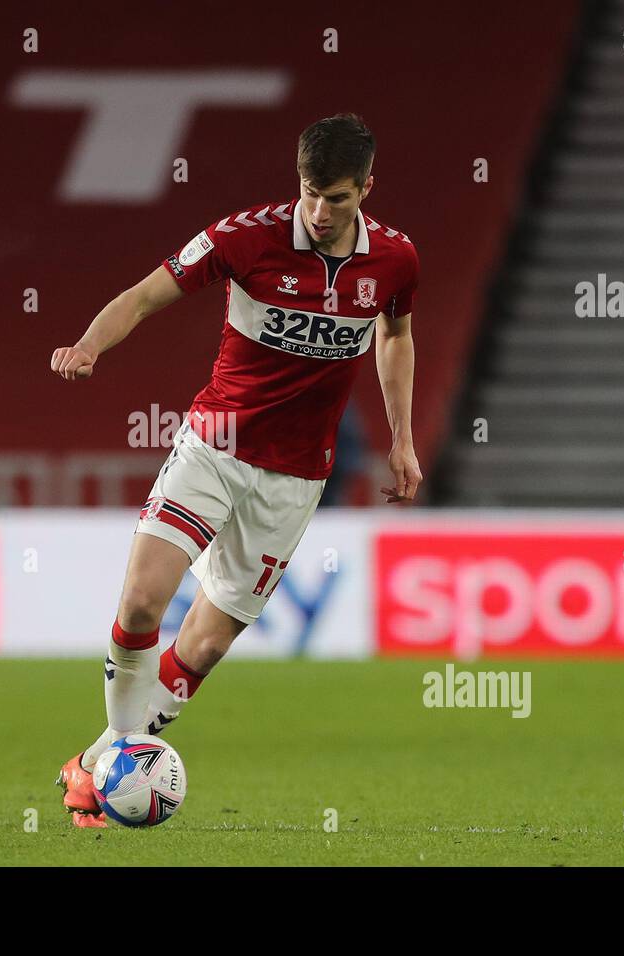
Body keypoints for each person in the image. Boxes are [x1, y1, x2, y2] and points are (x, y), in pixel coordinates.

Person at [49, 113, 421, 827]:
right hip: (214, 447)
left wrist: (402, 440)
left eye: (337, 197)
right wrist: (90, 345)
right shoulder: (243, 237)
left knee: (208, 643)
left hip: (294, 477)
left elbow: (395, 337)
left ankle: (95, 764)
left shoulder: (397, 261)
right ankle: (116, 762)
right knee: (140, 606)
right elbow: (144, 294)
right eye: (310, 191)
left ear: (367, 188)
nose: (319, 210)